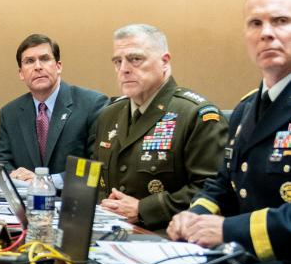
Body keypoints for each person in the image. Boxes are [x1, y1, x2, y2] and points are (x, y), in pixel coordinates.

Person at [168, 0, 291, 264]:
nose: (266, 33)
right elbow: (222, 184)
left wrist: (229, 229)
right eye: (255, 23)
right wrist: (193, 217)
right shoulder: (246, 108)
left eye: (281, 21)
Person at [93, 24, 228, 231]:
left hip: (166, 236)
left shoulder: (195, 114)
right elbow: (96, 178)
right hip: (108, 233)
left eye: (135, 59)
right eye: (118, 61)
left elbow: (212, 189)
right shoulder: (109, 114)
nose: (124, 69)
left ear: (164, 62)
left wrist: (144, 209)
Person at [0, 33, 108, 186]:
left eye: (45, 59)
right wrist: (14, 175)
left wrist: (46, 182)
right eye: (29, 61)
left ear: (58, 66)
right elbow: (1, 162)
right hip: (27, 202)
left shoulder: (92, 104)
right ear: (21, 73)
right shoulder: (10, 113)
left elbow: (97, 164)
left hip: (72, 202)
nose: (38, 66)